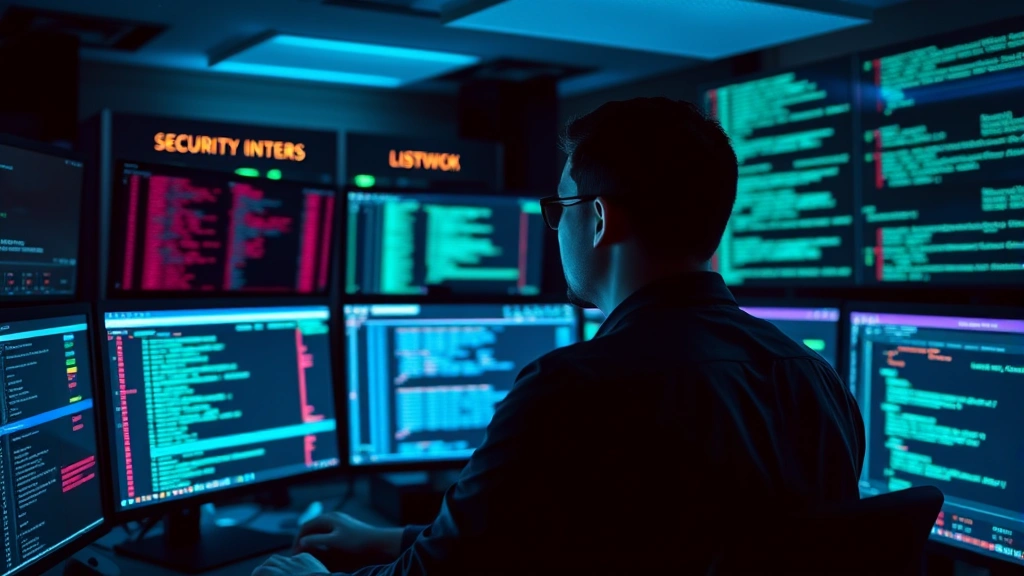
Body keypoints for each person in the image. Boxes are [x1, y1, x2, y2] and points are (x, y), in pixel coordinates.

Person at [253, 97, 865, 576]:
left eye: (560, 206)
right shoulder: (815, 379)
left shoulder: (572, 390)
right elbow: (621, 543)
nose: (556, 227)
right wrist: (393, 538)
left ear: (597, 219)